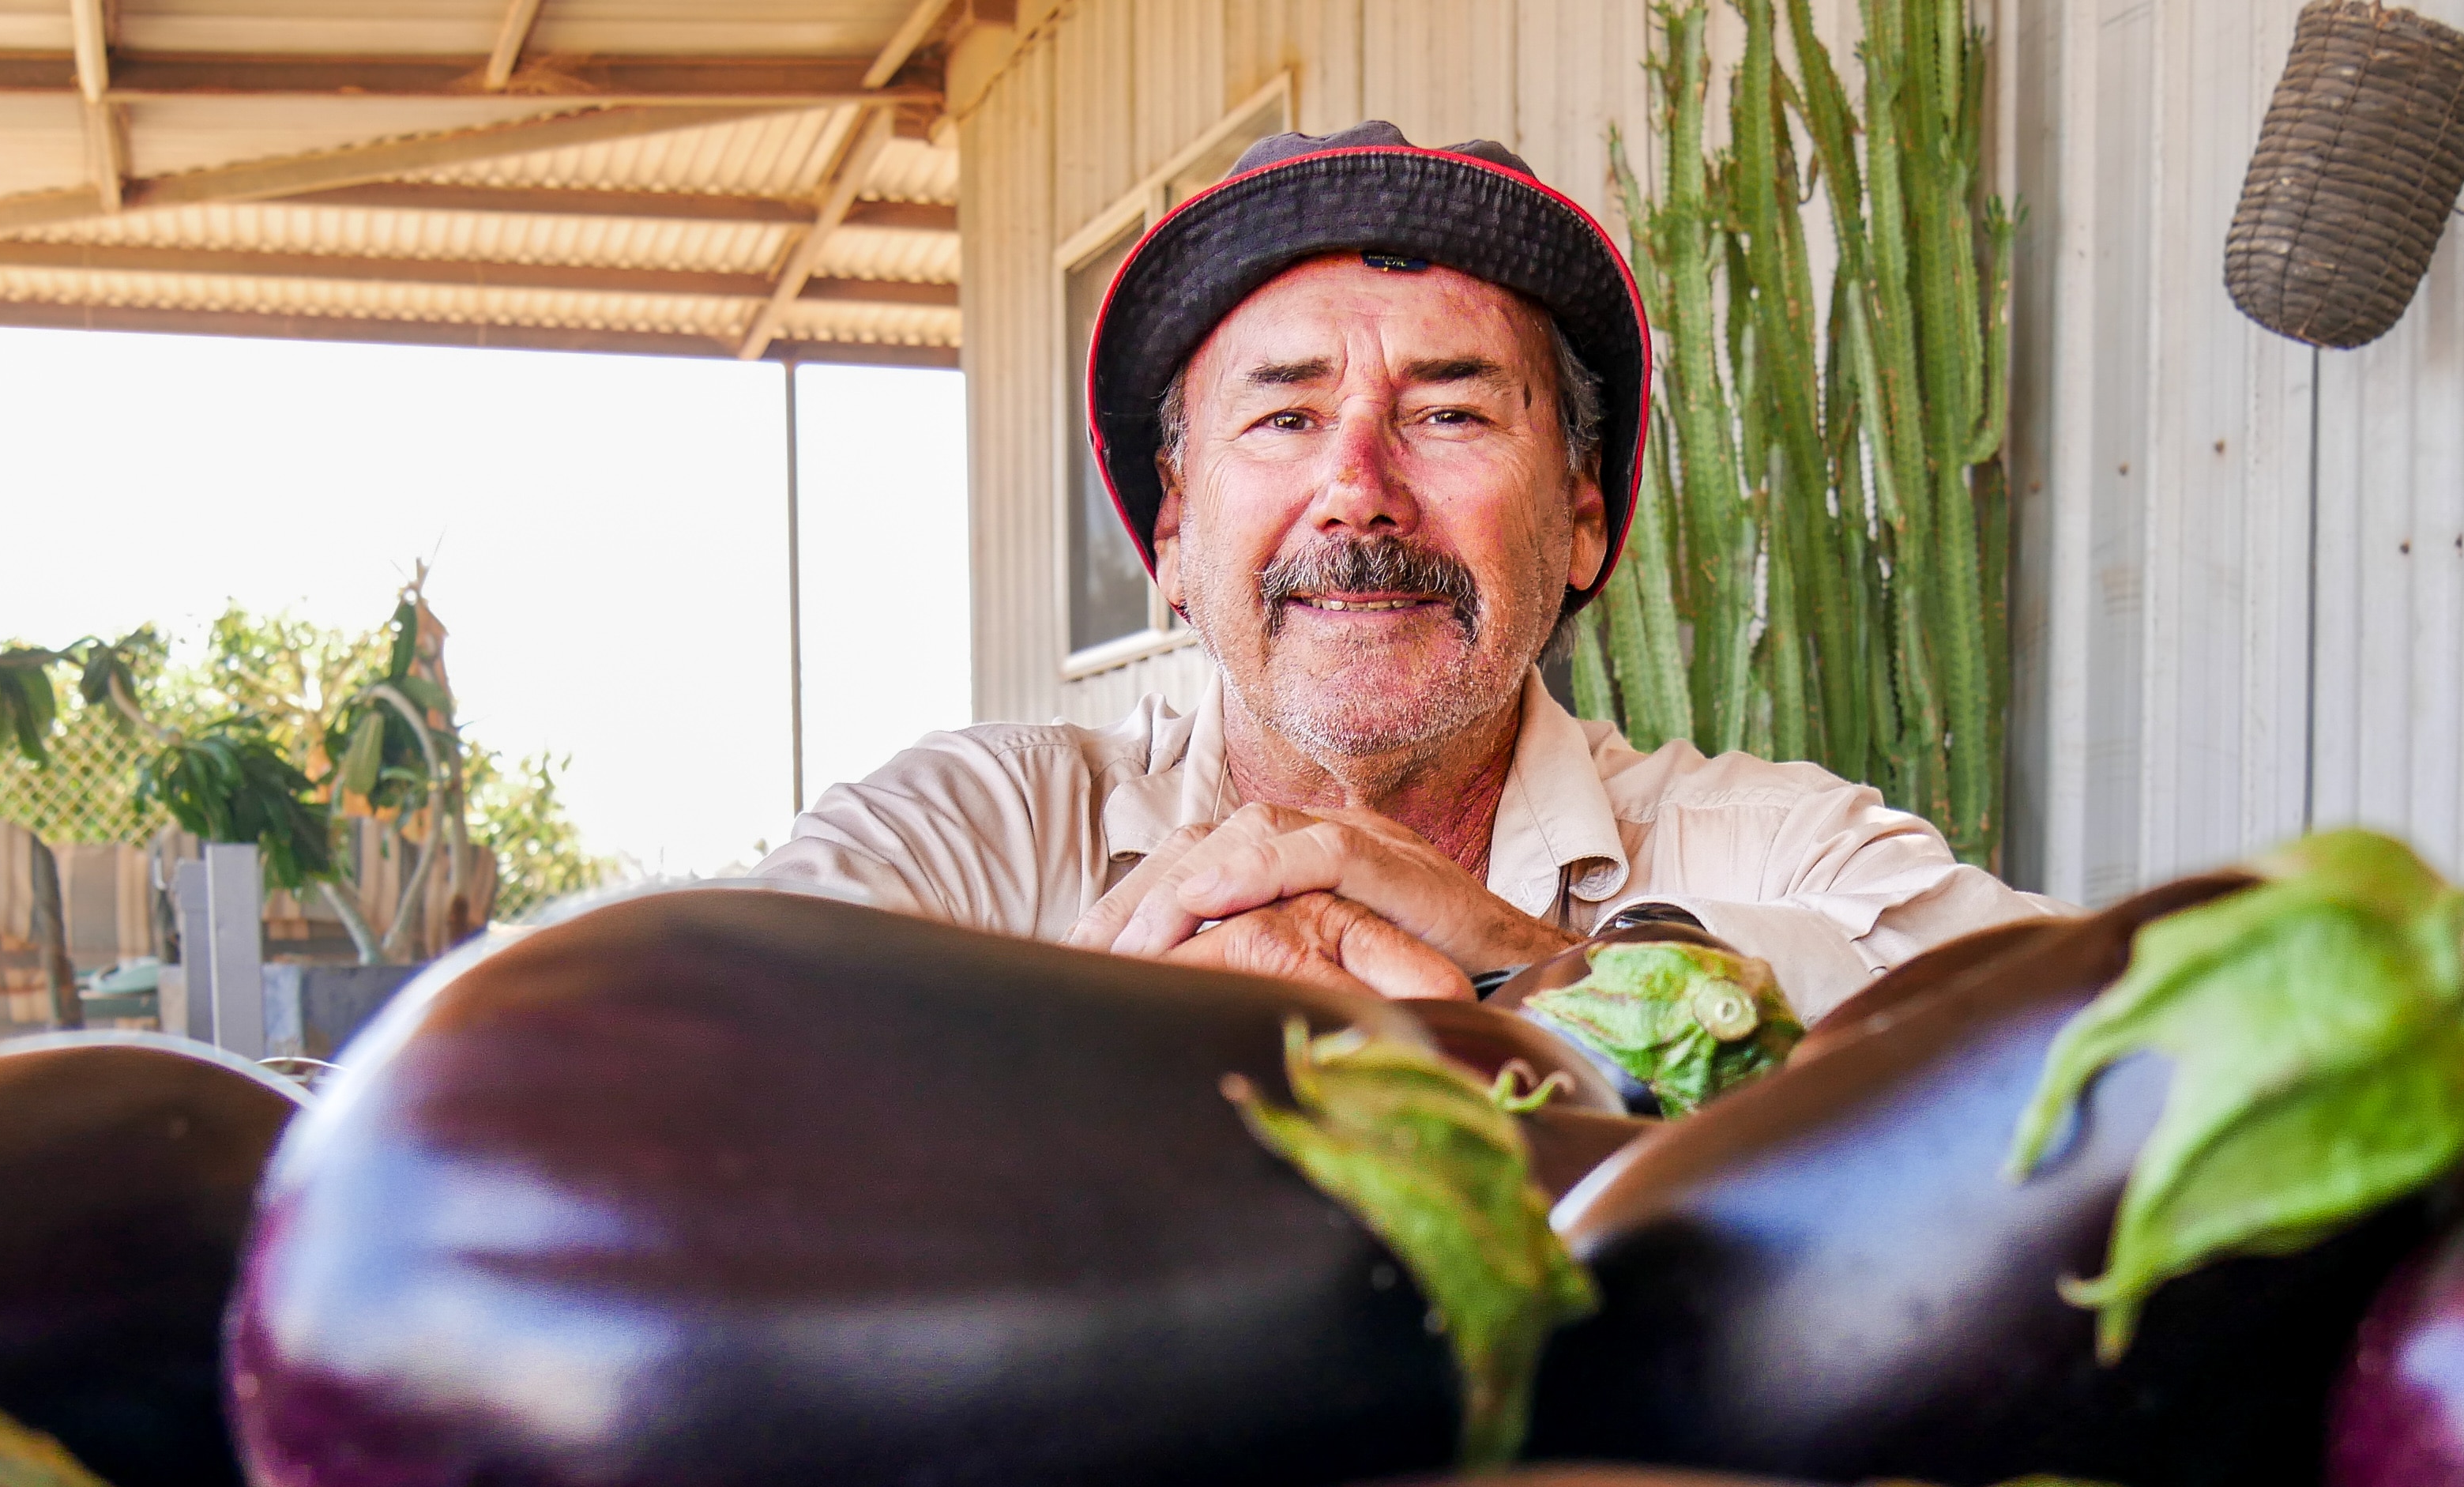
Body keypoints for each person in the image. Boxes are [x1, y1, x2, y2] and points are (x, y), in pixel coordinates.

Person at [758, 122, 2055, 1022]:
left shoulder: (1782, 847)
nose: (1358, 489)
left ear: (1586, 519)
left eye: (1451, 413)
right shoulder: (985, 836)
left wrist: (1546, 977)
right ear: (1169, 540)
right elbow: (679, 1047)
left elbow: (2107, 1040)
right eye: (1283, 416)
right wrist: (1099, 1029)